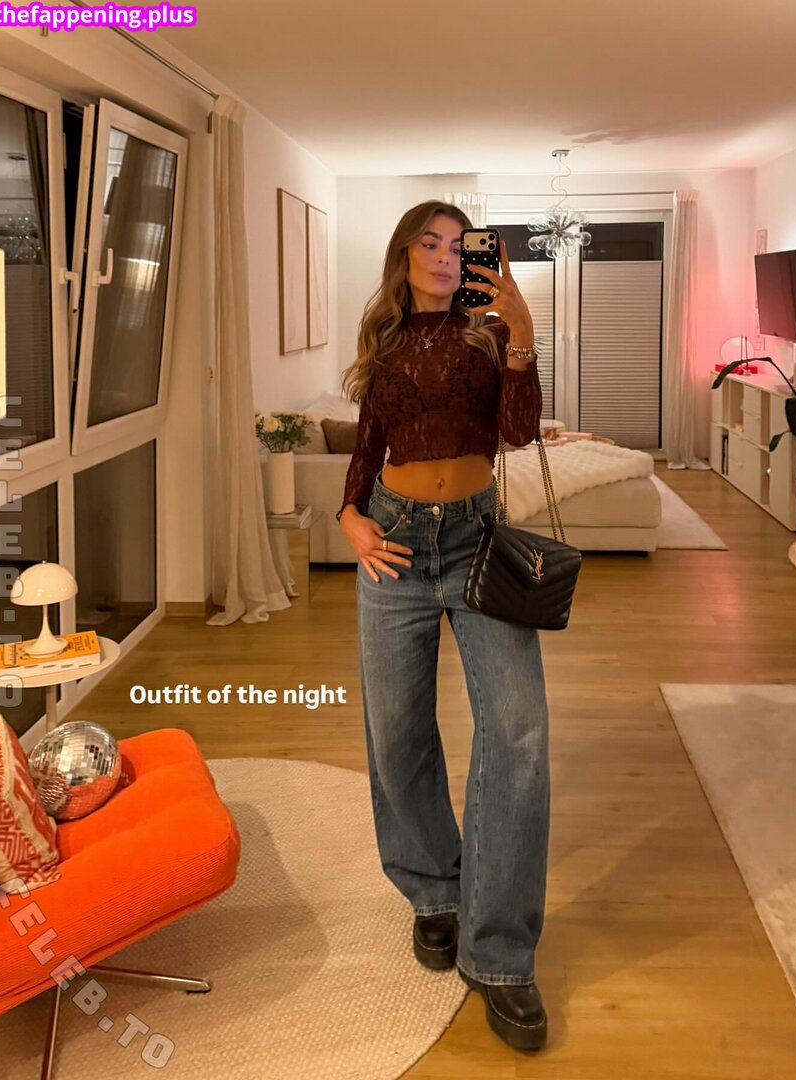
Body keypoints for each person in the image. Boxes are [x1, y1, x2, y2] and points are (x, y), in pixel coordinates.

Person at [337, 200, 551, 1051]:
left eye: (460, 246)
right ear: (404, 255)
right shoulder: (385, 341)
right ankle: (434, 889)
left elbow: (518, 432)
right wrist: (349, 518)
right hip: (393, 544)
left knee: (519, 733)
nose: (443, 255)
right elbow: (369, 442)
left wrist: (520, 325)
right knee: (396, 733)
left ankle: (500, 954)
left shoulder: (489, 335)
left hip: (475, 542)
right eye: (428, 242)